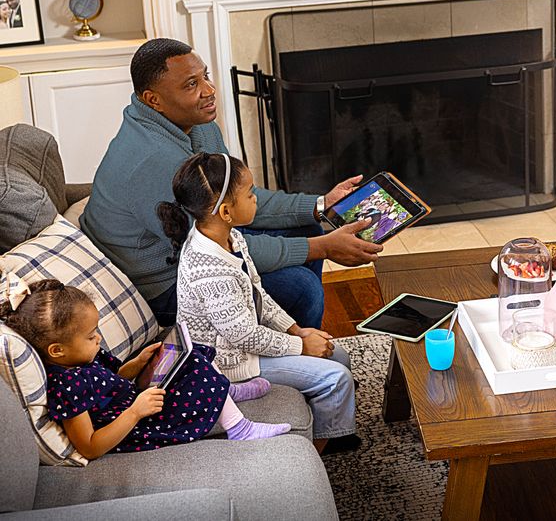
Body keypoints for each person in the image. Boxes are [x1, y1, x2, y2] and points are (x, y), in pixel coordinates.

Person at [80, 38, 382, 328]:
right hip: (164, 282)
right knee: (301, 288)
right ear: (153, 100)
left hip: (196, 244)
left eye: (205, 76)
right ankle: (297, 358)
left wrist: (320, 205)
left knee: (306, 227)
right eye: (191, 84)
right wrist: (322, 249)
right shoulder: (155, 161)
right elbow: (209, 248)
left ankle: (287, 340)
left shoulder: (198, 125)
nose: (209, 90)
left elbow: (237, 198)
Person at [158, 152, 359, 454]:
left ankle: (333, 429)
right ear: (226, 211)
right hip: (227, 363)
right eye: (250, 193)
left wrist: (296, 330)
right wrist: (302, 347)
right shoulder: (208, 270)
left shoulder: (232, 238)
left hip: (245, 348)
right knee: (336, 378)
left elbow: (259, 294)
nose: (256, 199)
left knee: (338, 356)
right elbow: (245, 336)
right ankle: (313, 456)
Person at [0, 275, 290, 459]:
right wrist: (136, 411)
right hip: (139, 425)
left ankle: (226, 394)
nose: (98, 338)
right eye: (90, 336)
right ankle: (239, 428)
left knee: (189, 356)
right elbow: (90, 445)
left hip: (134, 401)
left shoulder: (80, 358)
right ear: (56, 350)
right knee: (196, 373)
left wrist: (137, 364)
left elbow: (112, 381)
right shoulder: (67, 386)